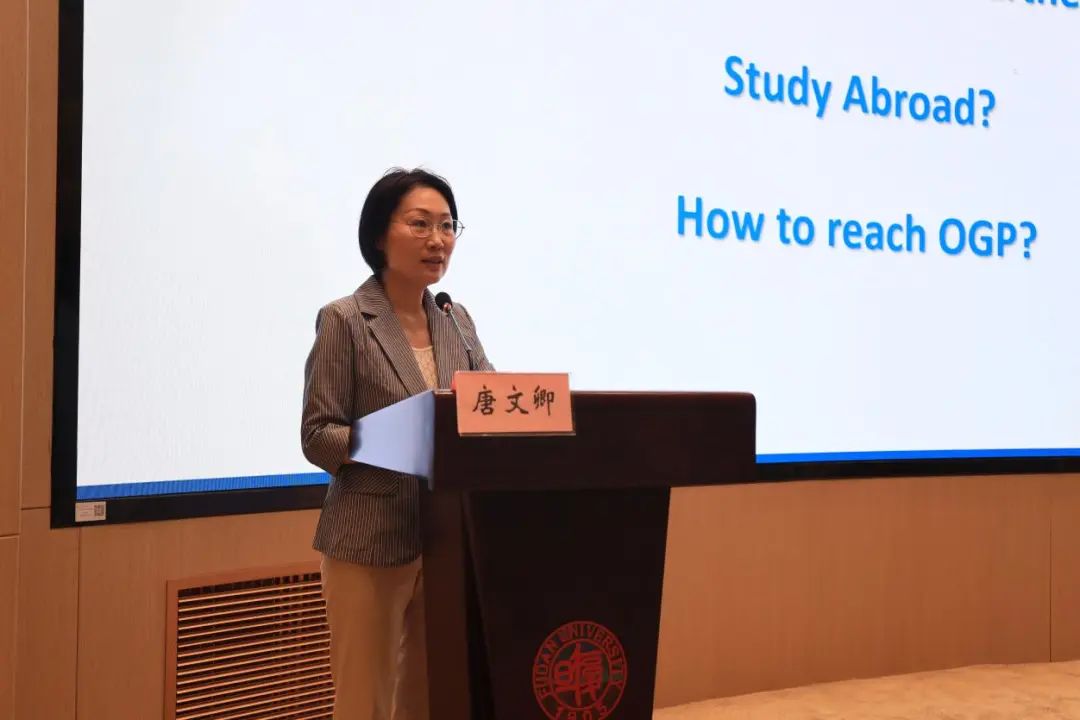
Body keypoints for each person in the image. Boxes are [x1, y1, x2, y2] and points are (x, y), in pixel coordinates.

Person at [301, 168, 493, 719]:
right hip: (369, 539)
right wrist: (394, 440)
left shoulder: (456, 320)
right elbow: (318, 434)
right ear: (380, 235)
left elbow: (488, 405)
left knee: (431, 699)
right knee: (367, 702)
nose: (438, 240)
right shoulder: (345, 319)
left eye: (448, 226)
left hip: (446, 538)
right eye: (420, 224)